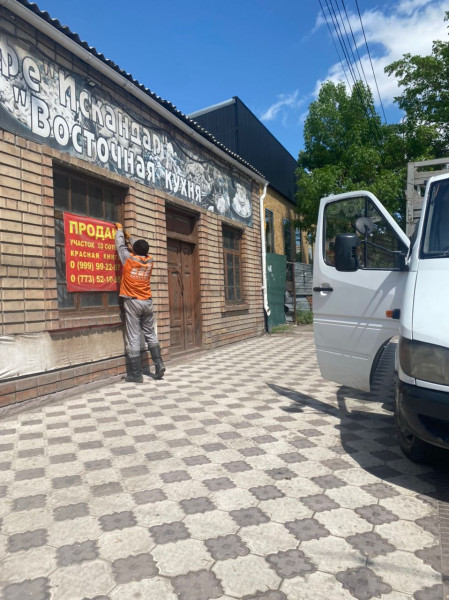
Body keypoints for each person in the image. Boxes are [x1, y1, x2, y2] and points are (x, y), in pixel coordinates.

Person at [114, 223, 166, 382]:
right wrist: (131, 237)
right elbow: (139, 247)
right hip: (147, 302)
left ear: (134, 250)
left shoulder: (128, 259)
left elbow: (120, 245)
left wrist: (120, 231)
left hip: (133, 302)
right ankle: (159, 364)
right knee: (150, 334)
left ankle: (136, 374)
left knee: (134, 336)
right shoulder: (150, 260)